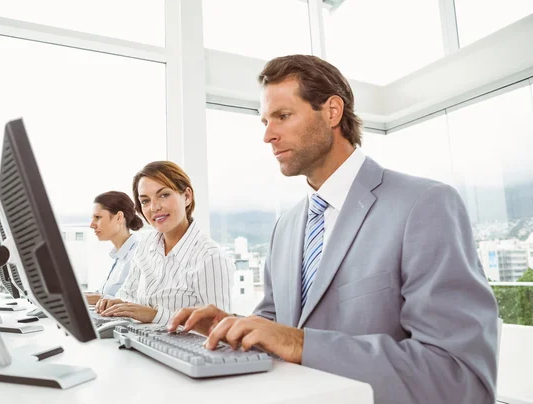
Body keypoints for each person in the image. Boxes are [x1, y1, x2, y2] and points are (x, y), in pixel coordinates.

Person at [169, 55, 499, 404]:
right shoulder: (287, 226)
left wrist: (299, 343)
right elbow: (276, 323)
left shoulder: (425, 205)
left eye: (282, 116)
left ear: (332, 112)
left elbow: (459, 377)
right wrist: (232, 327)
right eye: (265, 121)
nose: (268, 135)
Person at [96, 161, 234, 325]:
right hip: (135, 343)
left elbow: (219, 329)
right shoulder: (145, 244)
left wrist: (155, 315)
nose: (154, 207)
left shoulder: (211, 258)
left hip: (181, 350)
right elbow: (127, 295)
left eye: (164, 195)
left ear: (187, 196)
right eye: (145, 201)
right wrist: (115, 304)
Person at [85, 191, 144, 305]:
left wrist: (78, 299)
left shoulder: (138, 254)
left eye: (98, 217)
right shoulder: (119, 257)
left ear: (119, 217)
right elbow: (103, 294)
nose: (92, 224)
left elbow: (130, 302)